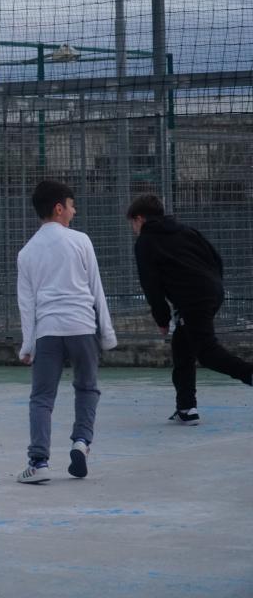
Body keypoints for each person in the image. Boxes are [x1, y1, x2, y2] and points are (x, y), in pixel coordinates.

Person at [16, 180, 117, 484]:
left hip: (48, 330)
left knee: (41, 398)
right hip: (83, 326)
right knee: (87, 388)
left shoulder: (27, 252)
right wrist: (107, 333)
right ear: (59, 208)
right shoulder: (81, 240)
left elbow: (27, 304)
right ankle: (81, 443)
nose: (75, 211)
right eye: (72, 206)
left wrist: (27, 345)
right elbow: (96, 289)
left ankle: (39, 463)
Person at [126, 194, 253, 425]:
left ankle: (248, 373)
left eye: (132, 224)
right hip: (212, 291)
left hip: (193, 299)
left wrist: (162, 318)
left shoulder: (146, 241)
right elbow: (216, 258)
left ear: (140, 218)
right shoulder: (186, 231)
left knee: (206, 351)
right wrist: (213, 286)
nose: (133, 229)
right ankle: (186, 408)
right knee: (182, 345)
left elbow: (151, 285)